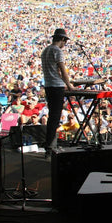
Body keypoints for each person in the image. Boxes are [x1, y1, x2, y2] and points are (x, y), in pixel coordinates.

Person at [41, 28, 74, 157]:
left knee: (52, 116)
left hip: (48, 86)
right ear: (62, 39)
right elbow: (62, 70)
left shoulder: (45, 51)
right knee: (55, 117)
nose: (64, 44)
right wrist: (70, 86)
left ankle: (50, 145)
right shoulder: (57, 51)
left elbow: (56, 71)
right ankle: (51, 147)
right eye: (65, 41)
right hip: (57, 87)